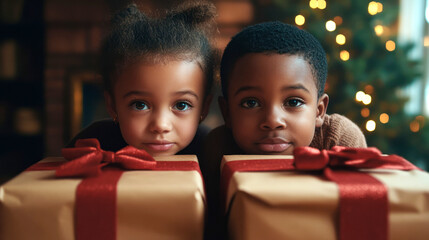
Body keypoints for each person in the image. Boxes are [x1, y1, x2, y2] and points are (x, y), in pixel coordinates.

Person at [201, 21, 367, 239]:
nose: (272, 121)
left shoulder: (338, 140)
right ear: (227, 113)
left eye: (293, 101)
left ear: (319, 111)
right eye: (251, 103)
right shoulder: (216, 149)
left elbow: (359, 216)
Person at [66, 1, 218, 158]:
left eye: (181, 105)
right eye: (139, 105)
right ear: (112, 106)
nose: (160, 125)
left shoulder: (212, 149)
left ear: (204, 109)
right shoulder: (93, 143)